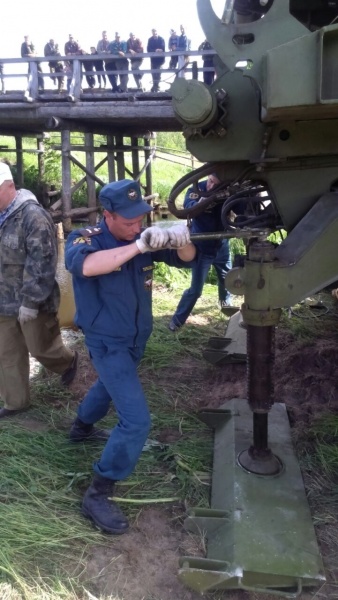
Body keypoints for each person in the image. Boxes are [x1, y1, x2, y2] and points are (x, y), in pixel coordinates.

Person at [65, 179, 196, 534]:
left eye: (141, 219)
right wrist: (138, 245)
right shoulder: (85, 238)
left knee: (109, 388)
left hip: (137, 337)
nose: (137, 225)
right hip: (107, 341)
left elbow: (187, 260)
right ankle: (98, 491)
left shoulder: (143, 235)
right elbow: (88, 267)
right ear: (107, 215)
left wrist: (181, 240)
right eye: (128, 220)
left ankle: (80, 428)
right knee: (136, 421)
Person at [0, 162, 78, 419]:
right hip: (3, 301)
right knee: (7, 353)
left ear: (9, 186)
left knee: (41, 348)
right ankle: (16, 403)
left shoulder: (33, 216)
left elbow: (43, 262)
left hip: (31, 301)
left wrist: (31, 302)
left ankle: (68, 362)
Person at [169, 173, 233, 332]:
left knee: (227, 279)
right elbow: (187, 207)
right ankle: (177, 321)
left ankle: (226, 307)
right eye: (211, 181)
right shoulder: (198, 188)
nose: (211, 186)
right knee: (196, 290)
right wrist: (201, 203)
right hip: (202, 247)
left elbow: (242, 207)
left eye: (216, 184)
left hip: (222, 244)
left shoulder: (229, 191)